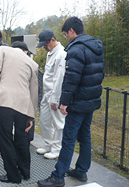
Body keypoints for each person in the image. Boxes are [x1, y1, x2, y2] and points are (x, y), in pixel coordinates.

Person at [37, 17, 104, 187]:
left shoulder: (76, 49)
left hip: (78, 101)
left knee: (68, 138)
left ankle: (58, 176)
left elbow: (71, 78)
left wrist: (64, 102)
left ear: (72, 31)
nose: (66, 37)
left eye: (66, 34)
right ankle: (81, 171)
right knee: (85, 136)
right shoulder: (95, 46)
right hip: (91, 100)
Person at [0, 41, 39, 184]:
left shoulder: (4, 50)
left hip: (4, 102)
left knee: (5, 139)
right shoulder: (32, 64)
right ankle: (25, 172)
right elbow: (34, 92)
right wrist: (31, 116)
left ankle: (13, 175)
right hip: (23, 106)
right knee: (22, 138)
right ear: (25, 50)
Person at [36, 29, 66, 159]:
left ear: (52, 40)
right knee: (44, 121)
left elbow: (59, 78)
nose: (44, 48)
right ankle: (48, 145)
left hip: (55, 95)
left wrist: (55, 99)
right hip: (46, 93)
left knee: (58, 123)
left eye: (45, 45)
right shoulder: (51, 53)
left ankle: (57, 149)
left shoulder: (61, 55)